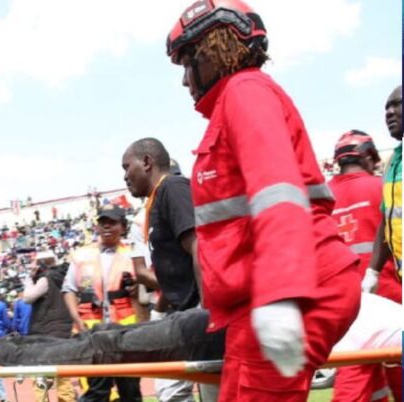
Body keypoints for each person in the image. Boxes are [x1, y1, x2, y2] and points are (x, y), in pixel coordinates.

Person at [166, 1, 363, 399]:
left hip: (298, 287)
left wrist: (281, 294)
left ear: (216, 47)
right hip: (268, 296)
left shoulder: (245, 93)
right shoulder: (237, 101)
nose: (186, 80)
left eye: (188, 63)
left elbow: (277, 193)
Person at [0, 292, 401, 376]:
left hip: (227, 327)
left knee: (101, 345)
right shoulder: (389, 320)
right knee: (101, 343)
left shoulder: (388, 320)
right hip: (227, 324)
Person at [121, 138, 202, 401]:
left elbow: (200, 249)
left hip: (198, 311)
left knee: (182, 390)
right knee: (172, 390)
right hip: (183, 313)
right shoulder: (156, 201)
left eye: (127, 167)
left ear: (146, 162)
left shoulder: (173, 187)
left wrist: (208, 311)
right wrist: (159, 311)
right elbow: (174, 271)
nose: (125, 176)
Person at [327, 130, 401, 402]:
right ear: (369, 157)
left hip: (346, 306)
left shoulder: (324, 196)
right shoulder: (381, 187)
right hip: (389, 300)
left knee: (356, 377)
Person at [62, 205, 141, 402]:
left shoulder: (134, 254)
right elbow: (69, 289)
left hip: (125, 333)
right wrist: (77, 321)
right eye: (102, 223)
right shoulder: (81, 255)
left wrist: (138, 288)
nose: (106, 227)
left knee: (130, 390)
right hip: (92, 333)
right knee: (97, 391)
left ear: (123, 227)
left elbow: (147, 289)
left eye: (112, 223)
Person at [364, 85, 402, 298]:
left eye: (397, 104)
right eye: (386, 107)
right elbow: (387, 219)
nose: (389, 112)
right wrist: (373, 271)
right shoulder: (393, 163)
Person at [22, 251, 75, 402]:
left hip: (45, 333)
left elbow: (27, 297)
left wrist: (29, 280)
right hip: (63, 332)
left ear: (41, 264)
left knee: (41, 375)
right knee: (63, 375)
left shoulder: (46, 278)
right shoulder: (64, 278)